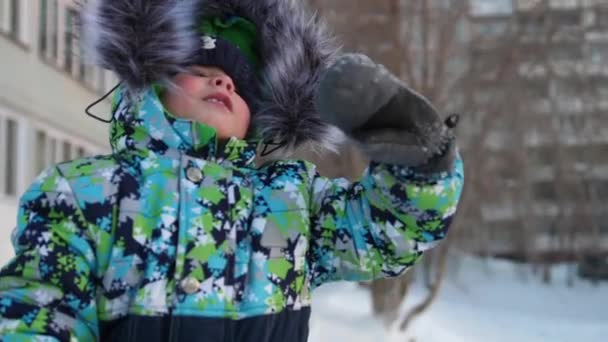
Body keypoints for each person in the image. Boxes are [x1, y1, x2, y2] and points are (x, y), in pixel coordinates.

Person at [0, 1, 464, 341]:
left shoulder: (291, 201)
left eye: (238, 84)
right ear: (148, 85)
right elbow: (39, 307)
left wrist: (422, 160)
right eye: (201, 68)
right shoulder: (85, 192)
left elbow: (387, 231)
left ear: (259, 116)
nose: (222, 81)